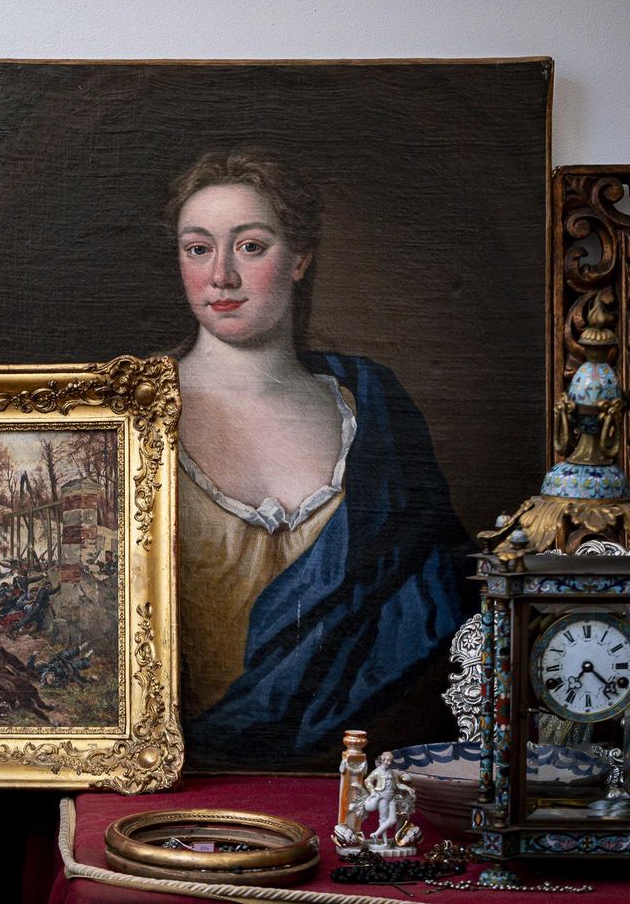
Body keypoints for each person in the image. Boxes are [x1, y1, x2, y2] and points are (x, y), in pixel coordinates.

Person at [168, 148, 474, 768]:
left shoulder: (375, 404)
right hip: (179, 783)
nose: (221, 275)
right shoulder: (130, 410)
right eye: (198, 249)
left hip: (364, 773)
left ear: (300, 258)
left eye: (250, 246)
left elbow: (445, 600)